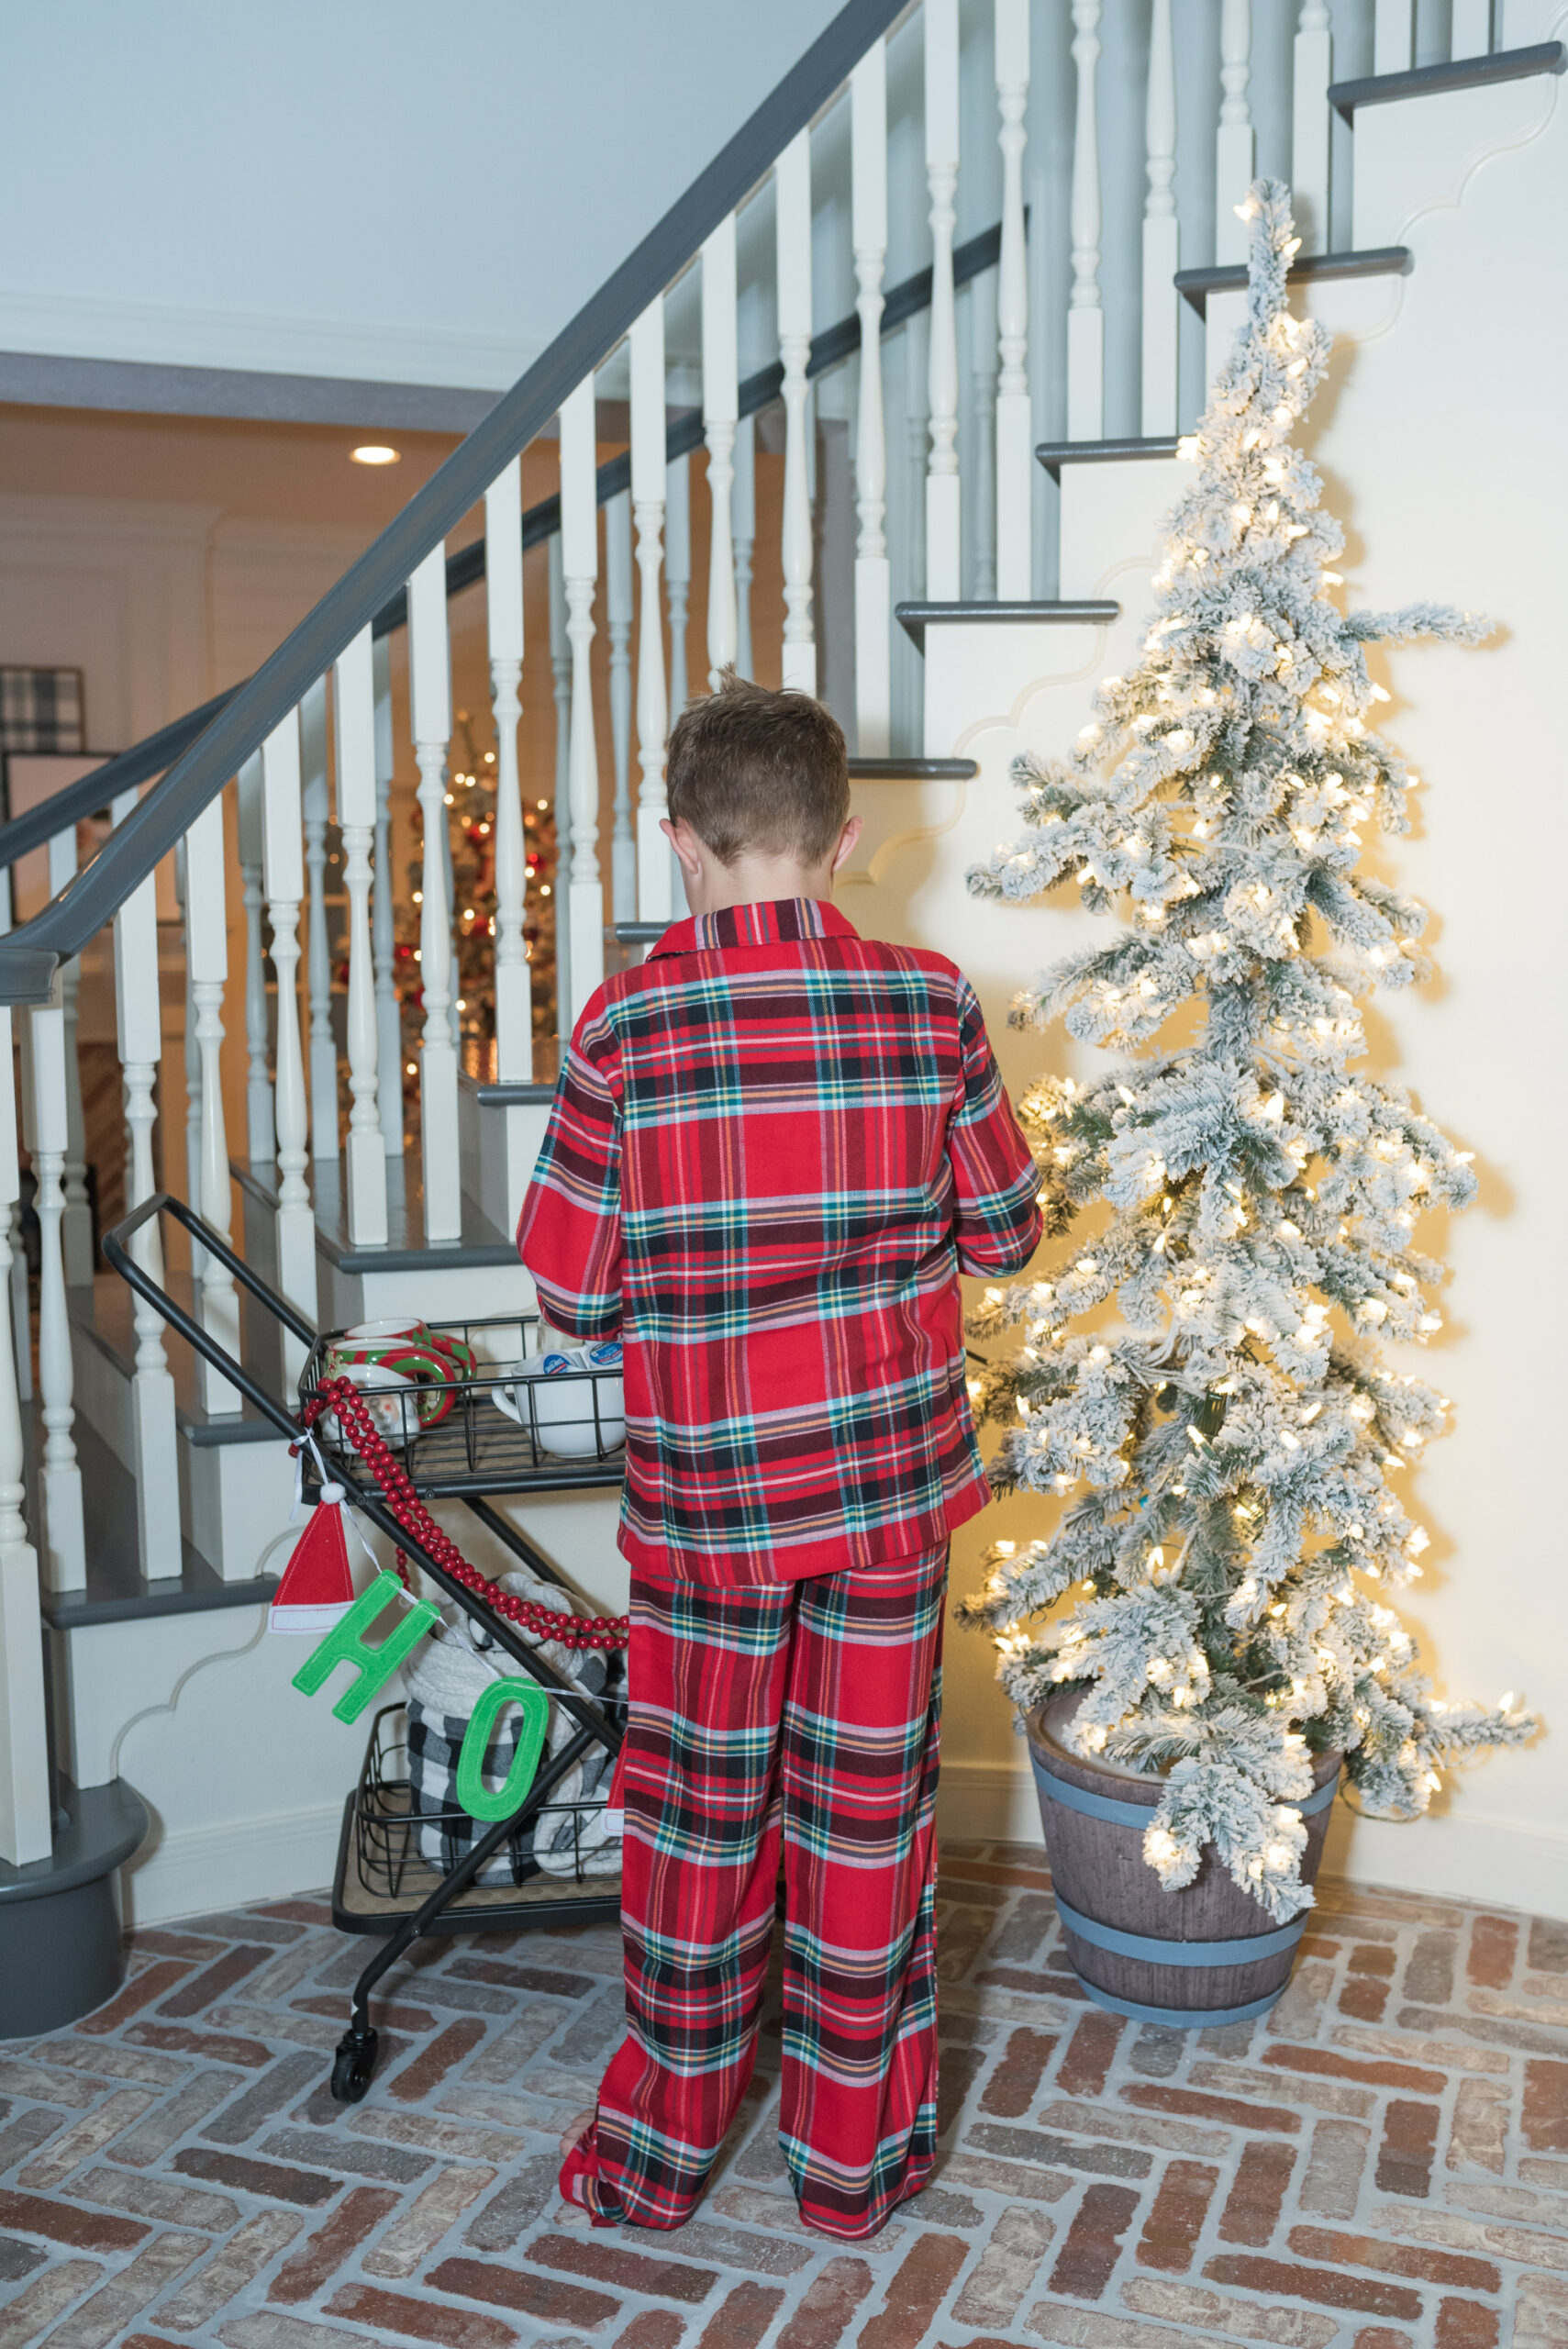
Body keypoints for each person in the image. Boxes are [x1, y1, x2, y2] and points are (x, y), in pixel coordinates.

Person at [517, 674, 1040, 2241]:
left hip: (708, 1509)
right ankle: (849, 2167)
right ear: (845, 840)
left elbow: (567, 1288)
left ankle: (660, 2158)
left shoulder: (627, 1025)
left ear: (680, 842)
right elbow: (1008, 1235)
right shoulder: (931, 1002)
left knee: (696, 1824)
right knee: (865, 1820)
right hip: (886, 1493)